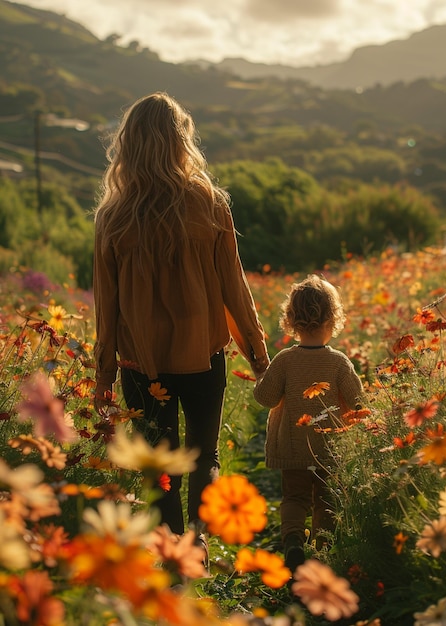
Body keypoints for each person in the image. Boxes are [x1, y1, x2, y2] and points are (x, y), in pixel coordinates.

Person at [92, 91, 270, 547]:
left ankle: (172, 558)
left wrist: (103, 375)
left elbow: (106, 305)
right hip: (203, 356)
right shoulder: (210, 203)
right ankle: (198, 546)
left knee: (159, 464)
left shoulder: (112, 216)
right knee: (203, 455)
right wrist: (257, 353)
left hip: (139, 363)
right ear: (180, 141)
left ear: (127, 144)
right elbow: (235, 287)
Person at [253, 274, 364, 573]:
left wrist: (264, 373)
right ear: (333, 319)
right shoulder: (339, 362)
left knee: (294, 497)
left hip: (293, 446)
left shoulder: (285, 360)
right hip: (329, 449)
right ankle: (323, 549)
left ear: (291, 320)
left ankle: (292, 541)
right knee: (325, 500)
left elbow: (264, 397)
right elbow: (359, 404)